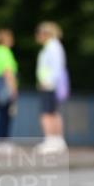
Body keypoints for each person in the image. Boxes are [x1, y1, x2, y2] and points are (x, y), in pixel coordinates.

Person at [35, 21, 68, 154]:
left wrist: (47, 81)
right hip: (52, 84)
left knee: (46, 114)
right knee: (53, 113)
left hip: (49, 84)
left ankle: (50, 140)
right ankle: (57, 141)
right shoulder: (54, 46)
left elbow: (56, 67)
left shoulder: (52, 47)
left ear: (45, 34)